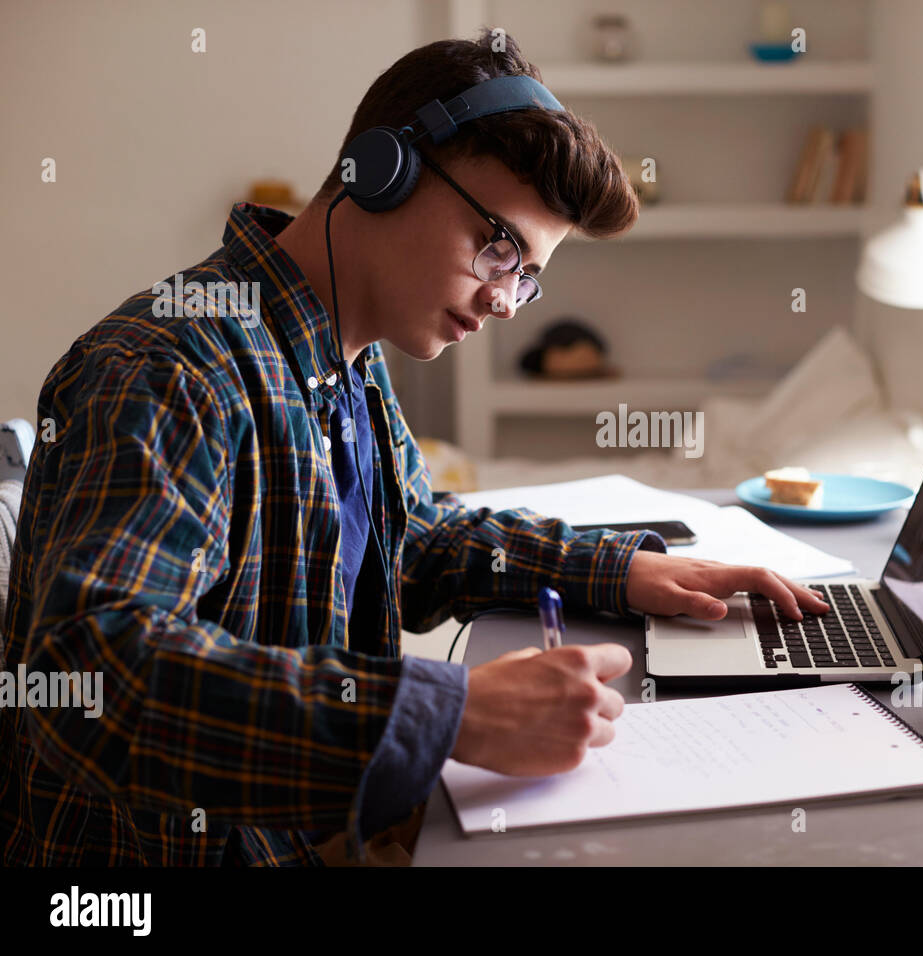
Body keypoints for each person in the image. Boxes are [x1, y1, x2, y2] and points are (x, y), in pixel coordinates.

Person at [0, 30, 828, 867]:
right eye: (500, 249)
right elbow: (91, 678)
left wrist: (619, 572)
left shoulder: (346, 360)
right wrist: (451, 714)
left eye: (529, 276)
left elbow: (410, 545)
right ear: (379, 173)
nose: (507, 303)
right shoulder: (173, 367)